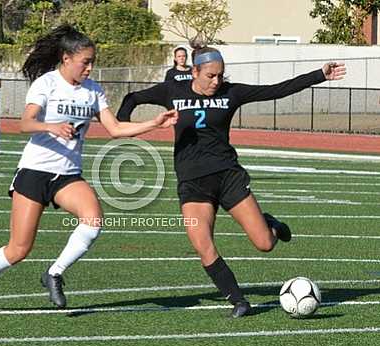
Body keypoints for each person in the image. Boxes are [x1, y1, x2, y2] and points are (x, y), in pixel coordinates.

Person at [0, 25, 178, 313]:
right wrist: (51, 126)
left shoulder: (93, 90)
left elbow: (115, 128)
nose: (90, 67)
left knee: (93, 219)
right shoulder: (46, 83)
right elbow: (24, 124)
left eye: (92, 61)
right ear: (66, 58)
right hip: (35, 171)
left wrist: (154, 123)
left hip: (67, 175)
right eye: (86, 61)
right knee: (19, 249)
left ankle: (54, 273)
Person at [117, 46, 346, 318]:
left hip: (228, 177)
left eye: (220, 76)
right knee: (203, 246)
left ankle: (269, 223)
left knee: (265, 244)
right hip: (192, 183)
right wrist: (123, 123)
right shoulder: (171, 91)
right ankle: (239, 301)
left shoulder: (231, 92)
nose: (216, 81)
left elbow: (276, 90)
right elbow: (132, 98)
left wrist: (318, 75)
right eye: (211, 76)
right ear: (195, 72)